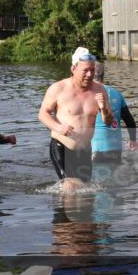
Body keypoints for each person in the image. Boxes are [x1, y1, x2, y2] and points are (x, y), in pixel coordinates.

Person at [39, 47, 115, 182]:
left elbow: (108, 122)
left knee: (86, 193)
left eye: (92, 70)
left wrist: (104, 109)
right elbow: (43, 114)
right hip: (61, 146)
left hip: (84, 151)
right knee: (70, 186)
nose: (90, 74)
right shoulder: (58, 88)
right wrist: (58, 127)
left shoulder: (100, 90)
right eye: (85, 70)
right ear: (73, 69)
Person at [91, 61, 138, 165]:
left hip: (95, 149)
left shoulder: (86, 94)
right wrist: (133, 140)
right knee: (114, 178)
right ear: (103, 74)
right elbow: (129, 120)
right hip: (115, 148)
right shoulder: (116, 93)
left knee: (93, 179)